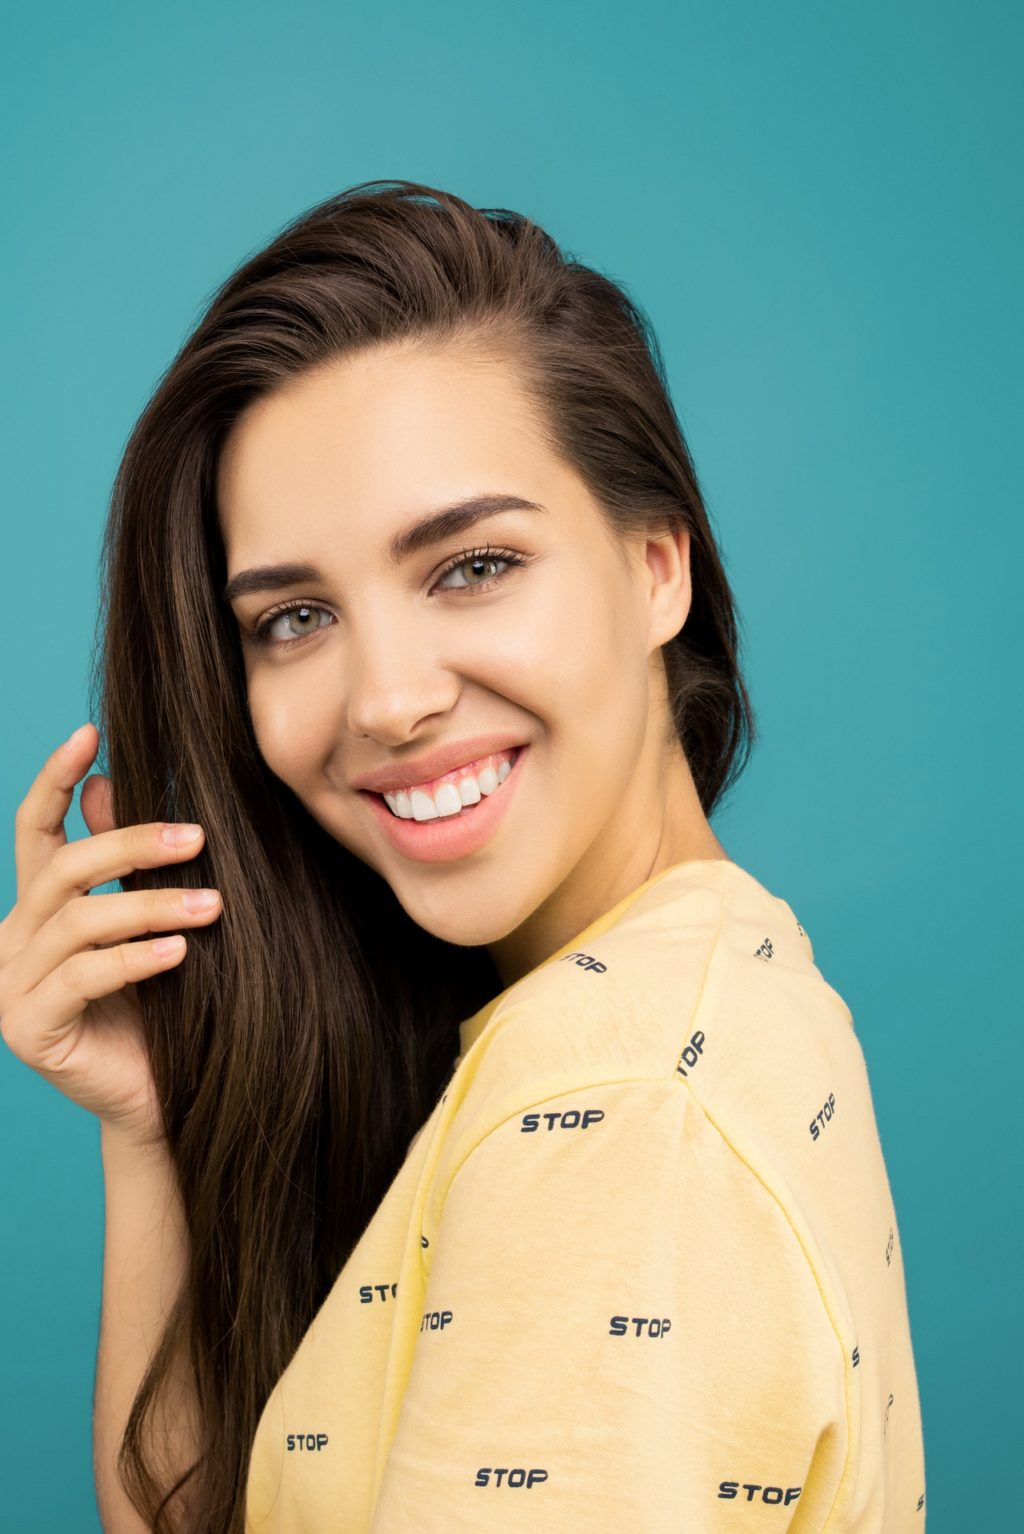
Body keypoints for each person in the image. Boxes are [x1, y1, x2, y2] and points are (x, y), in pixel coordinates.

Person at [0, 179, 925, 1533]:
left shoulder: (613, 1098)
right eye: (297, 614)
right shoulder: (707, 987)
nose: (385, 699)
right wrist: (151, 1129)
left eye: (470, 566)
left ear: (656, 563)